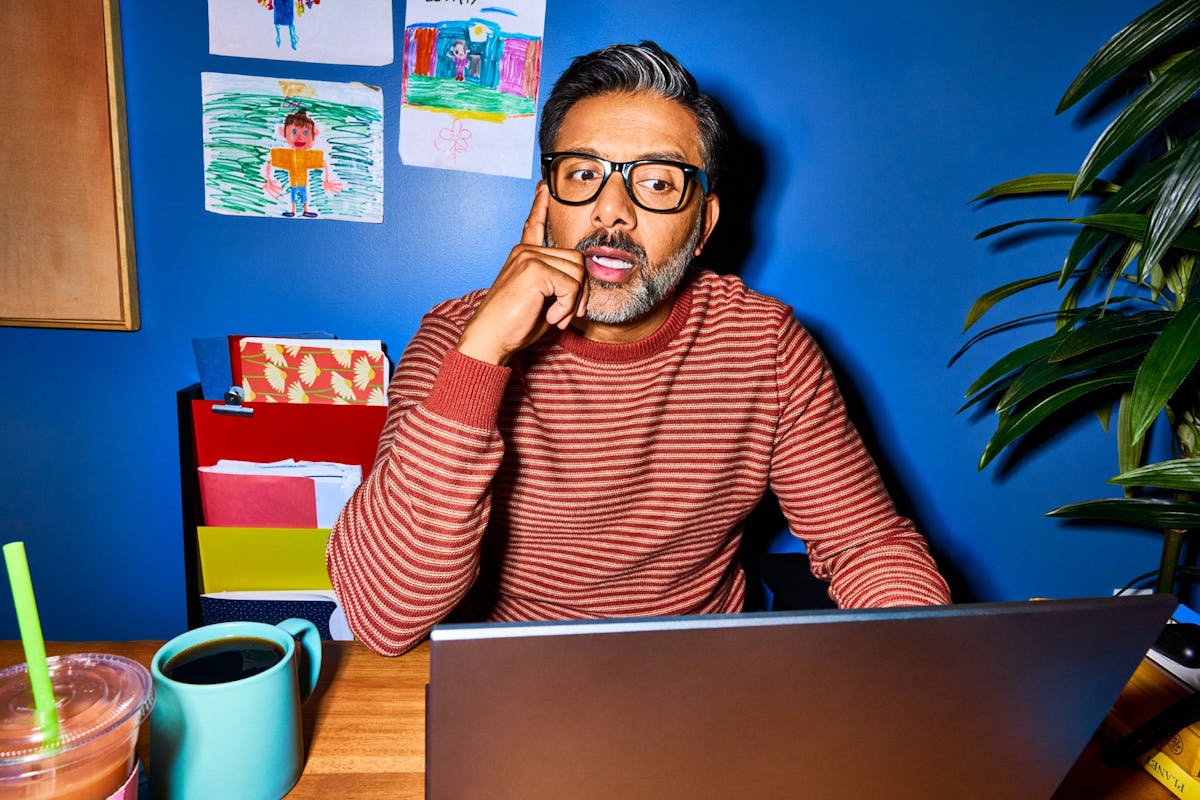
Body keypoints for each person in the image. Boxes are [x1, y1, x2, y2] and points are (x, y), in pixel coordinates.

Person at [327, 41, 951, 656]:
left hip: (700, 677)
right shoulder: (460, 340)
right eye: (583, 174)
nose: (613, 212)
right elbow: (386, 617)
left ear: (703, 225)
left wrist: (926, 675)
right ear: (543, 202)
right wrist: (484, 355)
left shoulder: (766, 345)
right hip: (514, 674)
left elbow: (867, 546)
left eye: (656, 182)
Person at [264, 107, 343, 218]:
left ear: (314, 134)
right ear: (283, 133)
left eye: (305, 132)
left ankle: (305, 210)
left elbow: (324, 163)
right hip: (293, 184)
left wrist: (327, 180)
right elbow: (270, 162)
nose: (299, 137)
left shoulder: (308, 156)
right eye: (294, 132)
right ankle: (292, 210)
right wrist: (268, 180)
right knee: (293, 197)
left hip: (302, 184)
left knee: (303, 197)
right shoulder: (286, 155)